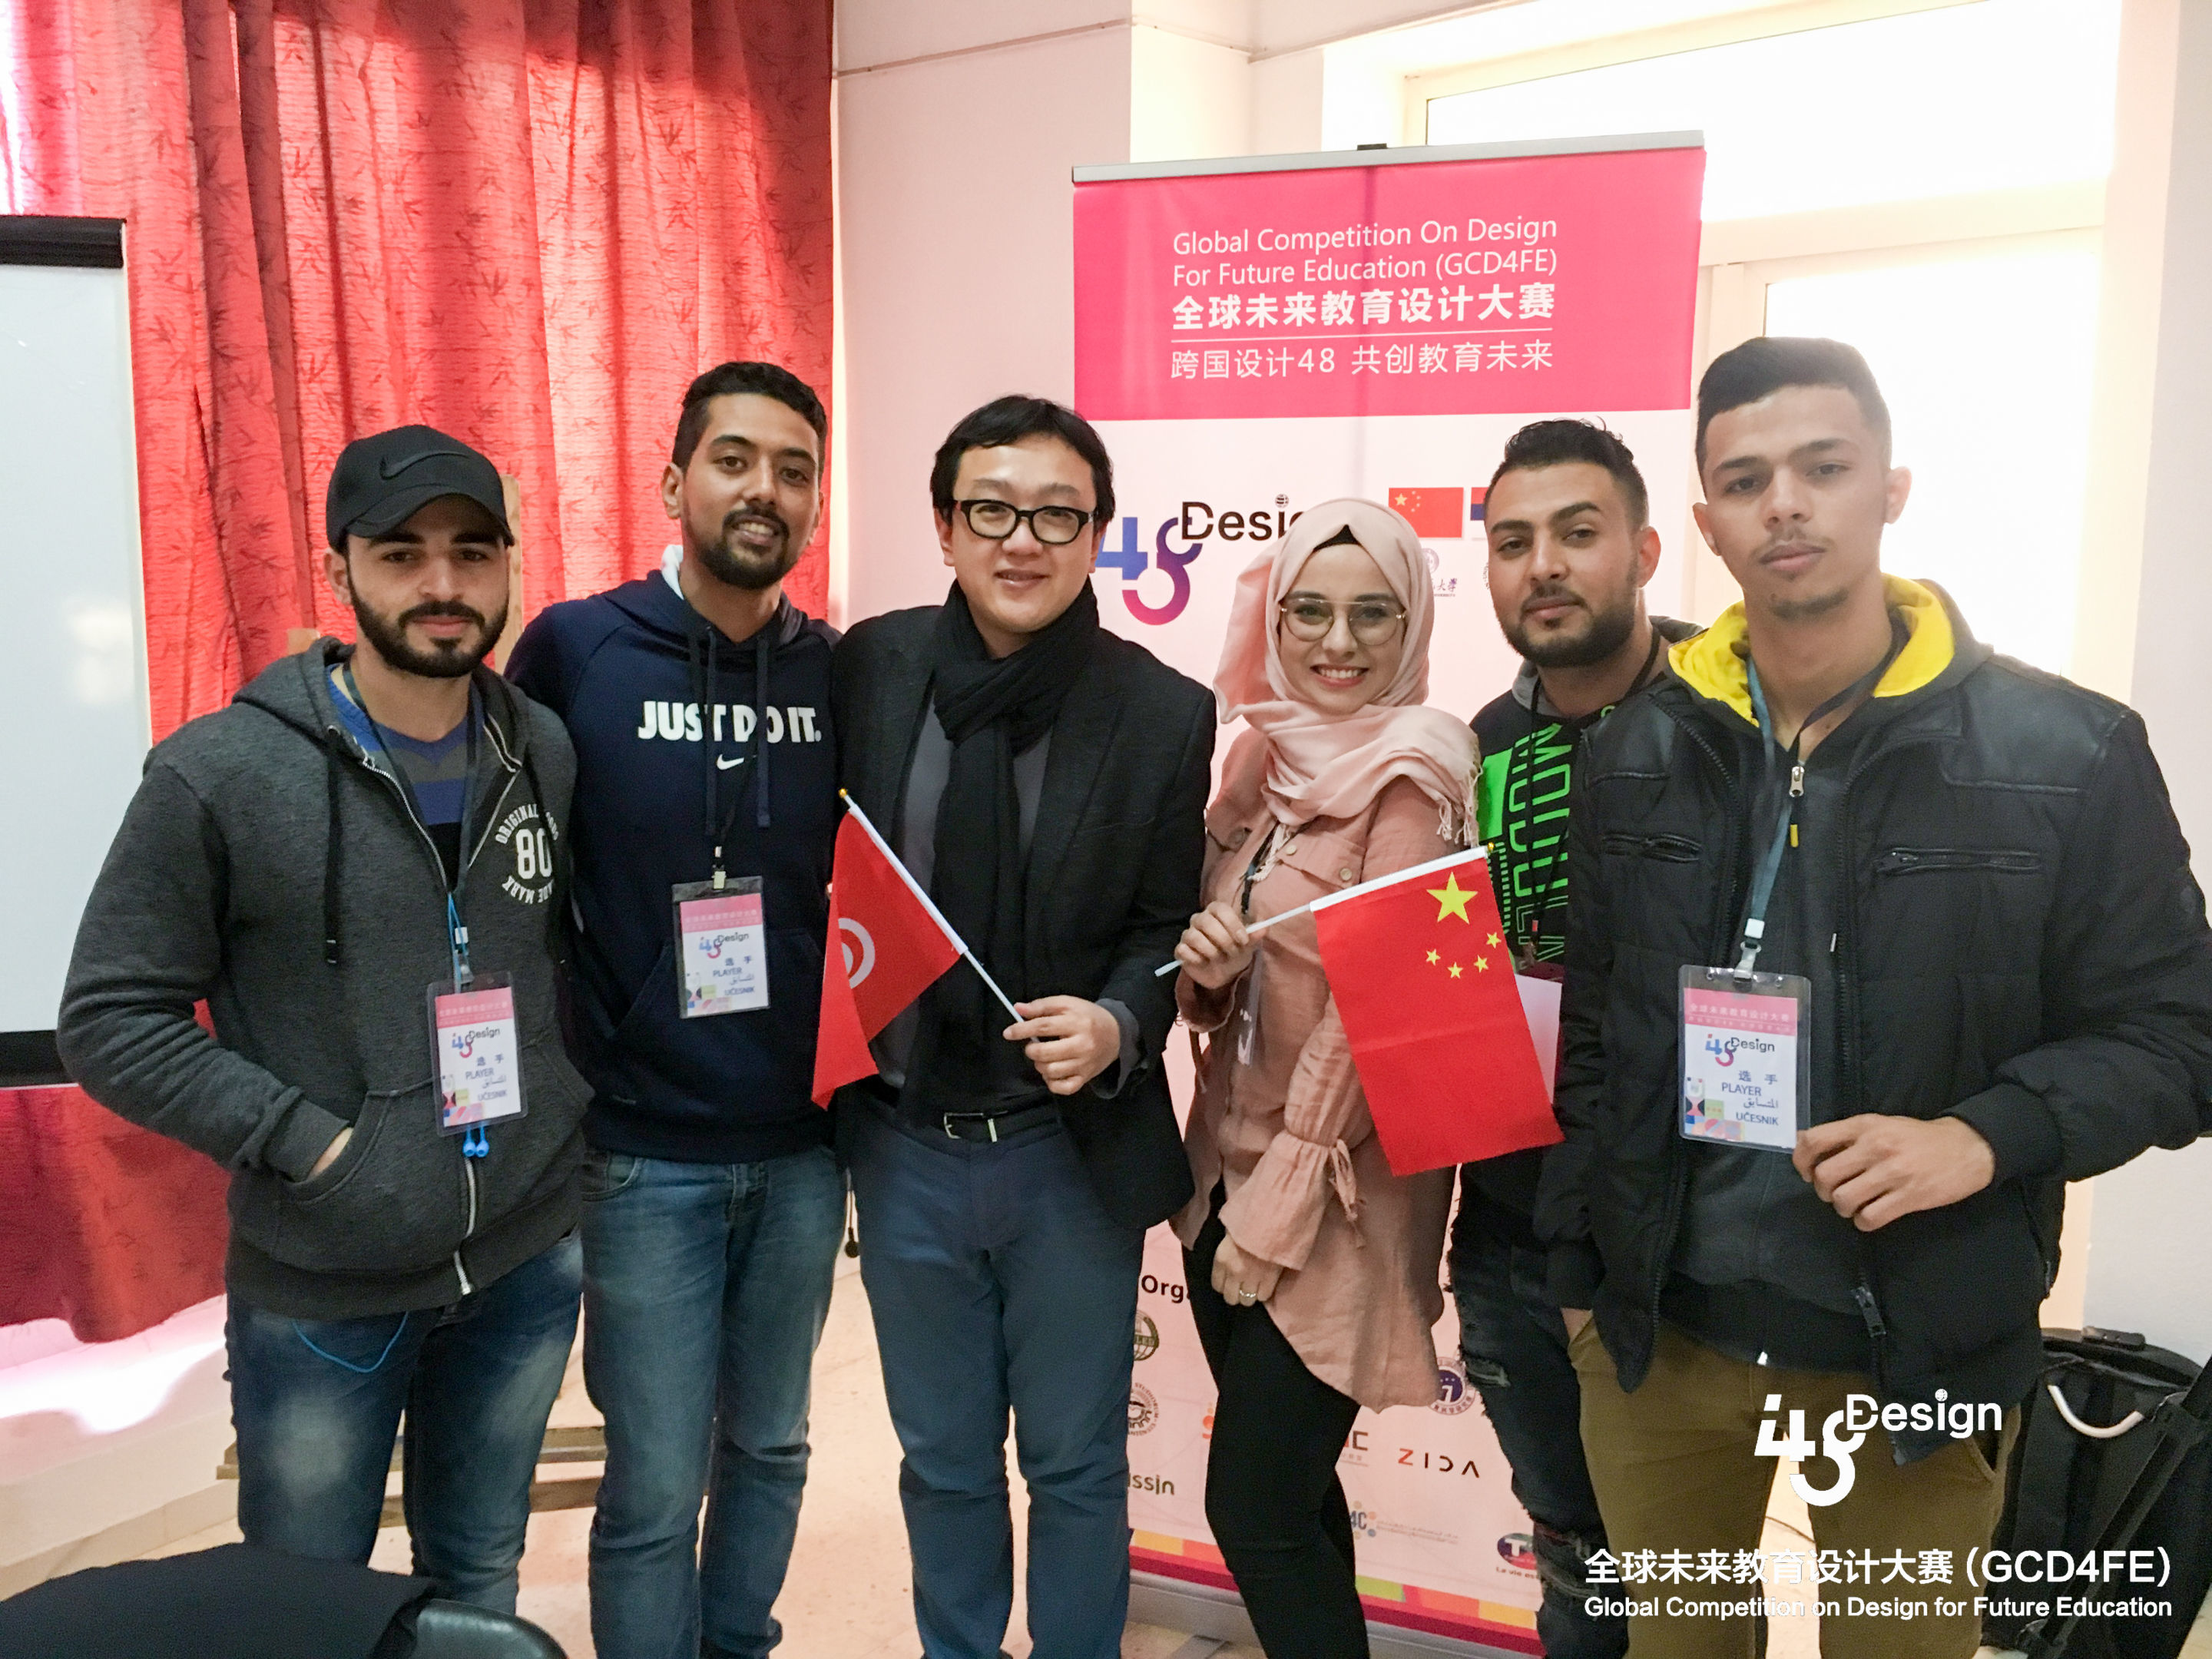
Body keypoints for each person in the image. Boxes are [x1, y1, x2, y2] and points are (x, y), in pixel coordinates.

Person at [1541, 336, 2212, 1659]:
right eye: (1746, 480)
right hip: (1664, 1342)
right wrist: (1580, 1279)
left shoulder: (2066, 752)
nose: (1785, 504)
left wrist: (1984, 1136)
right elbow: (1601, 1035)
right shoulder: (1640, 750)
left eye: (1825, 467)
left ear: (1891, 489)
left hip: (1920, 1351)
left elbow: (2181, 1034)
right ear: (1707, 525)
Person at [58, 426, 589, 1610]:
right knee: (302, 1602)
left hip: (523, 1257)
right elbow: (110, 1017)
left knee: (479, 1575)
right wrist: (315, 1147)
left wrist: (565, 1121)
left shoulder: (542, 750)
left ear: (509, 564)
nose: (443, 584)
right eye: (401, 554)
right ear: (338, 569)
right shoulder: (220, 774)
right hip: (326, 1285)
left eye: (473, 551)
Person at [831, 395, 1214, 1659]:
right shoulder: (872, 668)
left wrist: (1119, 1020)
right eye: (992, 510)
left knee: (1076, 1463)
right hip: (904, 1143)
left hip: (1066, 1155)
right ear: (946, 526)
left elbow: (1166, 922)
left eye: (1058, 515)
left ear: (1099, 534)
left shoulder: (1161, 711)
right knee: (943, 1461)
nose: (1023, 540)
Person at [505, 362, 842, 1659]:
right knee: (652, 1484)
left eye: (795, 471)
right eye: (735, 459)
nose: (765, 491)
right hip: (641, 1150)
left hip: (804, 1146)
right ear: (673, 480)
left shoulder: (835, 671)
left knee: (773, 1446)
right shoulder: (577, 649)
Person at [1170, 499, 1478, 1659]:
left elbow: (1379, 1008)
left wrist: (1281, 1207)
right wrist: (1207, 977)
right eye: (1308, 611)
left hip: (1337, 1199)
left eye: (1371, 614)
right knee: (1293, 1504)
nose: (1335, 642)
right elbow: (1236, 950)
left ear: (1412, 623)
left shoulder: (1420, 774)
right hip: (1225, 1169)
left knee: (1252, 1512)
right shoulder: (1263, 753)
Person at [1452, 420, 1694, 1659]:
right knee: (1575, 1556)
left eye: (1577, 533)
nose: (1543, 565)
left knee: (1688, 1573)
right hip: (1510, 1232)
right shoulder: (1472, 752)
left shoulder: (1736, 726)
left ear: (1644, 551)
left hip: (1685, 1241)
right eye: (1513, 542)